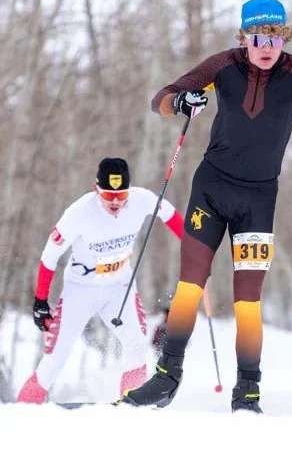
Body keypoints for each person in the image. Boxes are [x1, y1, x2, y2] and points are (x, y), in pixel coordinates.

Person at [121, 0, 292, 413]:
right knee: (189, 287)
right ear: (244, 37)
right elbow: (161, 98)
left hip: (258, 200)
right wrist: (181, 101)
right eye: (256, 36)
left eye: (274, 36)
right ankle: (166, 377)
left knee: (247, 301)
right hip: (211, 191)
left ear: (284, 37)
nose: (265, 46)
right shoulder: (223, 65)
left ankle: (248, 391)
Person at [17, 158, 183, 403]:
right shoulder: (79, 212)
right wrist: (40, 300)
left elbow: (171, 216)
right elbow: (49, 256)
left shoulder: (141, 200)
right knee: (54, 361)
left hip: (119, 287)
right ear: (97, 189)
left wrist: (193, 247)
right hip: (80, 290)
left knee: (136, 345)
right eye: (108, 195)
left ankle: (131, 407)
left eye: (121, 195)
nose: (115, 201)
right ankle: (22, 413)